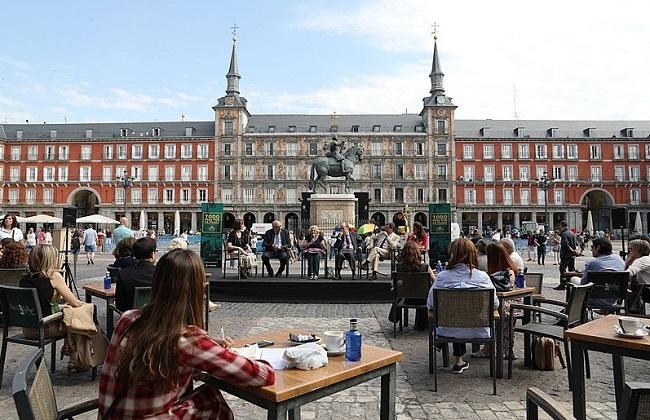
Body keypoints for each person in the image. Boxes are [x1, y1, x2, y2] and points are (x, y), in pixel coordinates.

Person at [98, 248, 275, 418]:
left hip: (111, 414)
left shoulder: (128, 319)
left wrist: (208, 343)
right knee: (211, 400)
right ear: (197, 290)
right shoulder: (188, 341)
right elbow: (264, 375)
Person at [427, 238, 499, 373]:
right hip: (478, 329)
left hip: (447, 329)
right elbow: (494, 303)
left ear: (452, 254)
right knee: (463, 314)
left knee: (455, 314)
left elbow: (430, 304)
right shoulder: (483, 277)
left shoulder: (442, 277)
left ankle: (457, 361)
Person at [19, 244, 83, 338]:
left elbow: (40, 304)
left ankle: (71, 349)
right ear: (50, 260)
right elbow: (74, 302)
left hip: (28, 330)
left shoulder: (24, 279)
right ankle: (79, 351)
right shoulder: (53, 277)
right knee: (81, 324)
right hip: (45, 328)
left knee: (74, 318)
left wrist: (60, 306)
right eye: (56, 257)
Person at [571, 237, 625, 309]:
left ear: (598, 247)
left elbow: (583, 284)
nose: (591, 249)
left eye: (592, 247)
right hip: (613, 299)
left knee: (573, 279)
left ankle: (571, 310)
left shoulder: (592, 263)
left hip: (594, 298)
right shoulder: (620, 260)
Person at [392, 241, 435, 330]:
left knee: (401, 296)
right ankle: (422, 324)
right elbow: (435, 281)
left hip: (407, 298)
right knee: (424, 293)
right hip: (423, 299)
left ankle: (396, 318)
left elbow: (394, 284)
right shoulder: (425, 267)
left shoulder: (400, 267)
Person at [115, 237, 157, 312]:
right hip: (158, 316)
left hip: (133, 318)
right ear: (152, 254)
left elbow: (120, 305)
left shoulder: (124, 274)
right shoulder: (163, 273)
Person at [626, 238, 650, 307]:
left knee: (620, 289)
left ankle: (632, 312)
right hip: (645, 288)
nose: (629, 251)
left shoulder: (641, 260)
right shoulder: (647, 258)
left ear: (637, 250)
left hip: (647, 290)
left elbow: (627, 274)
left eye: (631, 248)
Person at [556, 221, 579, 290]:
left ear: (562, 226)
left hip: (566, 254)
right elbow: (576, 243)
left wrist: (571, 250)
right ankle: (573, 283)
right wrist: (575, 251)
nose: (560, 228)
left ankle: (563, 284)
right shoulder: (572, 233)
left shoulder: (564, 234)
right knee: (571, 269)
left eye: (560, 226)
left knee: (562, 269)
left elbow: (566, 245)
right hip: (572, 255)